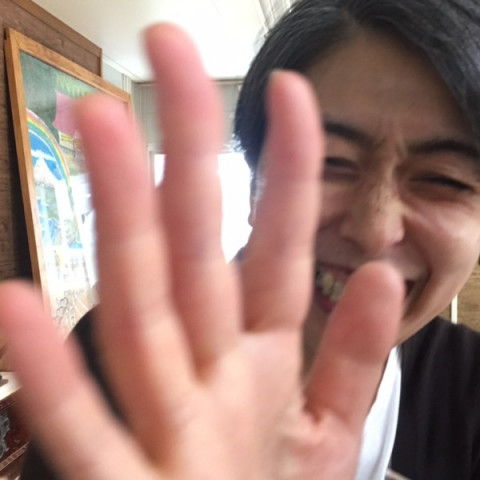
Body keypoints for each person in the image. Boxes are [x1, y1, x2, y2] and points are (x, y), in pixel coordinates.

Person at [3, 0, 480, 478]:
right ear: (254, 186)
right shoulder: (116, 360)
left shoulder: (469, 388)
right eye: (329, 162)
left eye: (446, 179)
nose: (376, 230)